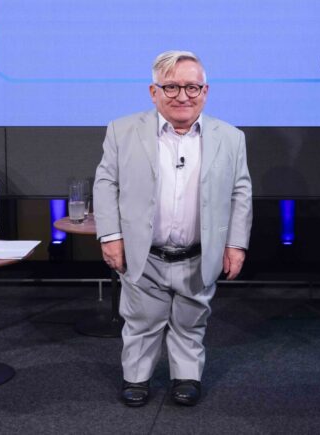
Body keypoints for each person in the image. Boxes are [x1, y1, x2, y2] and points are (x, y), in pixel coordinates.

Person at [94, 50, 252, 408]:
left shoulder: (230, 137)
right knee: (141, 321)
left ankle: (187, 376)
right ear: (153, 92)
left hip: (198, 255)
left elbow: (240, 191)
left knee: (191, 320)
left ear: (206, 91)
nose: (183, 96)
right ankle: (136, 378)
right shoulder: (122, 130)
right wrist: (111, 236)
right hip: (144, 254)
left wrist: (236, 244)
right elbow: (105, 184)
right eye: (172, 87)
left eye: (192, 87)